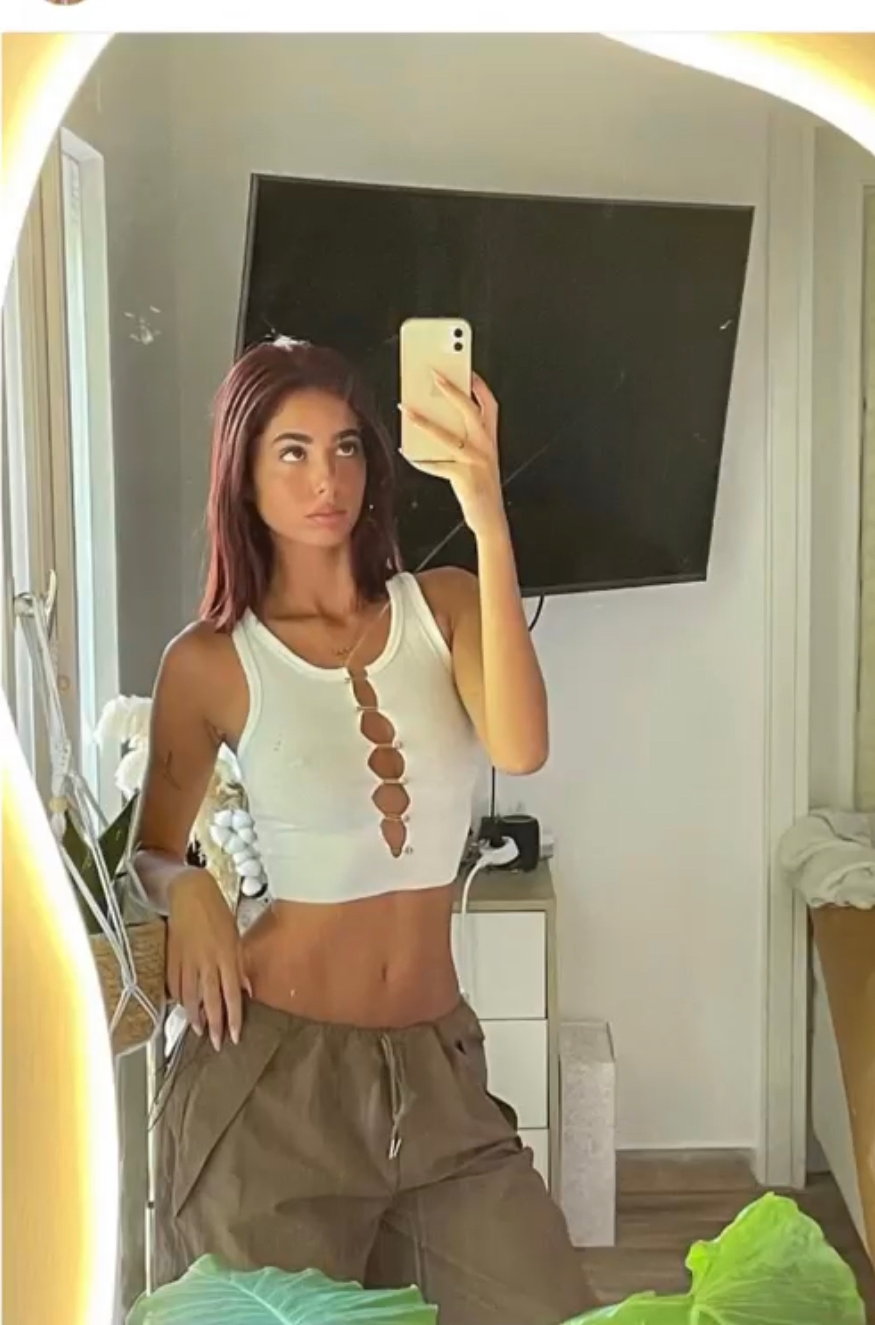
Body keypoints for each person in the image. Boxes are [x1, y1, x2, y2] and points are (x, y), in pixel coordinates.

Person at [135, 338, 595, 1324]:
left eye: (346, 447)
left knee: (545, 1307)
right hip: (270, 1081)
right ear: (242, 475)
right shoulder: (210, 661)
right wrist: (188, 887)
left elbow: (521, 747)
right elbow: (150, 849)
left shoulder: (445, 605)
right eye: (292, 452)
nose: (326, 479)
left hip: (436, 1074)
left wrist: (486, 510)